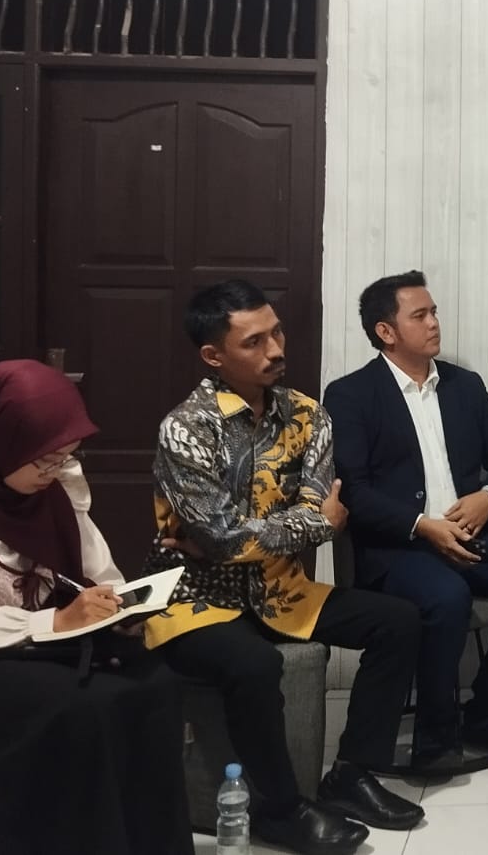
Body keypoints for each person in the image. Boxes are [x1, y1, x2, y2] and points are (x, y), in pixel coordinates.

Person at [143, 279, 424, 855]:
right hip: (196, 599)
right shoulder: (186, 428)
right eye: (254, 342)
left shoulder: (307, 415)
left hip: (282, 590)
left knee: (398, 621)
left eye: (276, 333)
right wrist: (308, 524)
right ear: (214, 355)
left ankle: (352, 773)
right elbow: (227, 540)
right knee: (252, 663)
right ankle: (280, 809)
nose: (275, 349)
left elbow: (313, 511)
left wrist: (269, 530)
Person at [324, 270, 488, 775]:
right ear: (386, 331)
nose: (435, 322)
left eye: (434, 312)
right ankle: (435, 734)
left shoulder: (463, 385)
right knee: (446, 597)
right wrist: (421, 525)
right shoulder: (350, 395)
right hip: (401, 546)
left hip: (473, 532)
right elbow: (356, 490)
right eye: (420, 315)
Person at [0, 360, 193, 855]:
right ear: (0, 440)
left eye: (65, 457)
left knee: (157, 684)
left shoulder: (53, 494)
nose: (54, 471)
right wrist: (49, 620)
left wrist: (118, 607)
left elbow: (100, 571)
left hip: (46, 647)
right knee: (86, 708)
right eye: (43, 460)